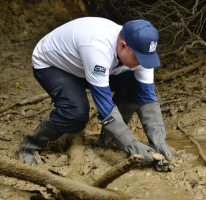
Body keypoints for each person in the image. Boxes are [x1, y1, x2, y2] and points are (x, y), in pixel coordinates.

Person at [18, 17, 174, 171]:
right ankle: (31, 145)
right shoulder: (98, 47)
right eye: (139, 58)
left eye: (146, 58)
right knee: (75, 113)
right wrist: (131, 145)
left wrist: (159, 143)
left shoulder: (141, 51)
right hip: (54, 65)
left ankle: (109, 140)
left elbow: (147, 96)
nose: (142, 63)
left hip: (87, 65)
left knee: (136, 85)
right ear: (123, 45)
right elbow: (104, 104)